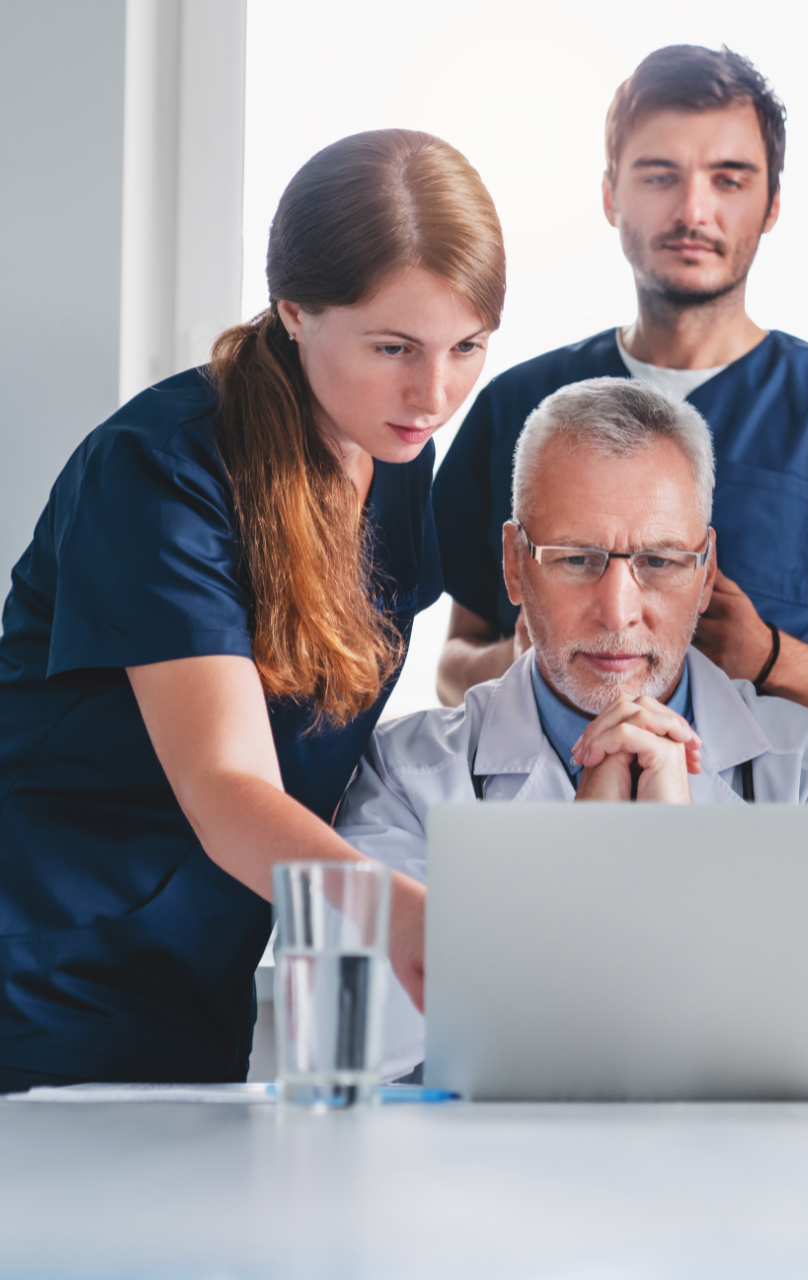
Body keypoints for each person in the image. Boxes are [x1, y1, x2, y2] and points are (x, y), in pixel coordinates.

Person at [0, 130, 505, 1091]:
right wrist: (400, 912)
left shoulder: (394, 454)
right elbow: (229, 784)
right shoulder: (158, 470)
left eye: (467, 347)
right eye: (393, 347)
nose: (433, 393)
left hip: (199, 976)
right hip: (40, 966)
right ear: (294, 310)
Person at [338, 378, 808, 1084]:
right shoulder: (409, 771)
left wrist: (686, 863)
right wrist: (581, 854)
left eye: (660, 562)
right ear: (514, 565)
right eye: (576, 560)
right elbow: (358, 1028)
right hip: (501, 1186)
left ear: (706, 573)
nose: (619, 611)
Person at [433, 44, 808, 721]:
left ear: (773, 203)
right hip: (549, 815)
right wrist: (524, 658)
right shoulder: (516, 407)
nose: (693, 211)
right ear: (612, 195)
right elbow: (454, 664)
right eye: (660, 176)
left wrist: (770, 659)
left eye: (729, 179)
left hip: (770, 819)